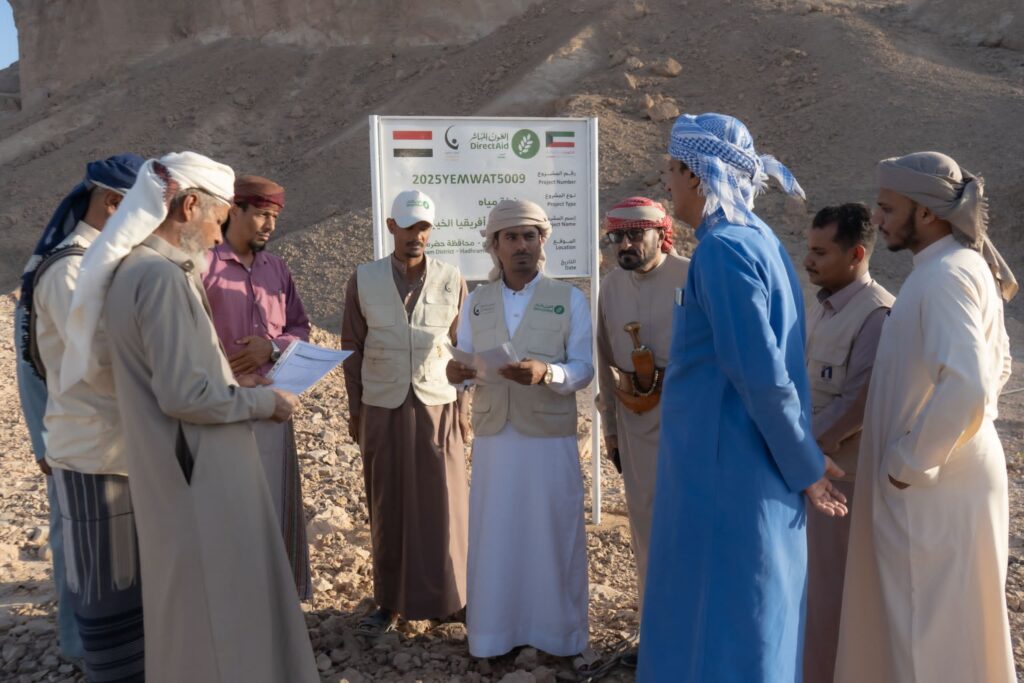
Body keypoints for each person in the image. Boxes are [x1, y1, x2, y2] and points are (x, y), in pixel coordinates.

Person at [61, 152, 319, 682]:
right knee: (215, 617)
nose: (220, 230)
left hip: (189, 470)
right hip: (196, 477)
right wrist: (262, 402)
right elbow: (184, 396)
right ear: (191, 204)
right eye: (220, 215)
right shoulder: (158, 277)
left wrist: (239, 383)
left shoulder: (150, 271)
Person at [638, 113, 847, 682]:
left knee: (720, 632)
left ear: (698, 176)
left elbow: (760, 376)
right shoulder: (761, 243)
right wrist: (799, 454)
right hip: (745, 466)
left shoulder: (724, 252)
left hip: (724, 477)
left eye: (672, 171)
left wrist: (805, 466)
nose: (668, 184)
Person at [835, 152, 1016, 683]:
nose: (879, 217)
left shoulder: (945, 277)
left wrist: (910, 462)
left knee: (926, 638)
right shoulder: (952, 268)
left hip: (933, 486)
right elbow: (999, 363)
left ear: (928, 213)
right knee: (944, 632)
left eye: (889, 208)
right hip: (946, 477)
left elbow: (970, 383)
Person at [447, 199, 594, 664]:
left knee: (551, 531)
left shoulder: (569, 298)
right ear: (494, 246)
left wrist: (548, 374)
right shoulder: (477, 300)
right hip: (495, 438)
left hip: (549, 439)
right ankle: (494, 636)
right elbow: (467, 359)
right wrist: (459, 374)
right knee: (495, 532)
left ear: (542, 242)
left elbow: (584, 368)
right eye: (511, 237)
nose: (521, 246)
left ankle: (558, 638)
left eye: (530, 236)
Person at [14, 153, 143, 665]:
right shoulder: (70, 270)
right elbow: (91, 362)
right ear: (113, 204)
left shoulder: (98, 265)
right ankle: (87, 652)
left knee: (112, 562)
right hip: (88, 443)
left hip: (111, 440)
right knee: (89, 560)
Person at [341, 190, 469, 632]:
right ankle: (388, 601)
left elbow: (463, 350)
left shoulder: (453, 278)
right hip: (382, 406)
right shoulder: (363, 279)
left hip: (438, 406)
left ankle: (450, 599)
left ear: (431, 231)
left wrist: (464, 408)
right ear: (391, 227)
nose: (416, 235)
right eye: (408, 226)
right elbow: (351, 348)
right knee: (387, 502)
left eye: (424, 227)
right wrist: (355, 410)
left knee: (444, 504)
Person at [203, 174, 313, 599]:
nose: (269, 225)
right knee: (226, 507)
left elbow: (299, 326)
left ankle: (278, 598)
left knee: (274, 503)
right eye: (262, 215)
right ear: (236, 210)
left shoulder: (276, 269)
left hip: (271, 407)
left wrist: (272, 347)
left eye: (275, 218)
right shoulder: (204, 264)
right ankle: (230, 600)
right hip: (221, 406)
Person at [801, 203, 893, 683]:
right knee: (810, 595)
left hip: (844, 481)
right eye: (808, 249)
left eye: (820, 252)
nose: (808, 261)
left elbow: (856, 404)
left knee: (833, 599)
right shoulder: (821, 307)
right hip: (809, 472)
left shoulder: (876, 315)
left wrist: (796, 447)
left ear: (856, 254)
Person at [595, 196, 689, 667]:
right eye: (618, 237)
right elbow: (604, 361)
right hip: (634, 424)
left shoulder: (692, 277)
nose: (626, 244)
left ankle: (693, 636)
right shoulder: (610, 287)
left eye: (635, 235)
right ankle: (655, 637)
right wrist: (610, 432)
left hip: (689, 424)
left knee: (688, 528)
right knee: (646, 531)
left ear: (661, 235)